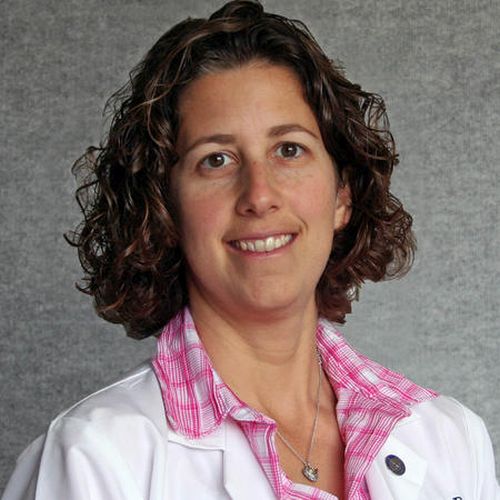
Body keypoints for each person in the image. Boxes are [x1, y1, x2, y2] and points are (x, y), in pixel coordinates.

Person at [3, 1, 499, 499]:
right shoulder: (93, 460)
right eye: (216, 160)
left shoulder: (451, 440)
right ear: (164, 208)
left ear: (342, 196)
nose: (259, 196)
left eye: (289, 150)